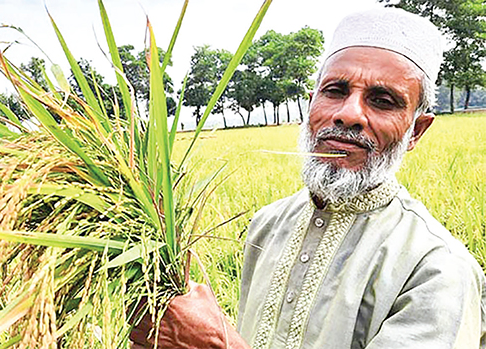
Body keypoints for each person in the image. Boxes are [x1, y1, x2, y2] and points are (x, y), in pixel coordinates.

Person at [130, 7, 486, 349]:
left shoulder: (439, 270)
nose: (348, 114)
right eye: (335, 91)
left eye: (382, 100)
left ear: (416, 131)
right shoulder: (267, 225)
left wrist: (215, 343)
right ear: (311, 104)